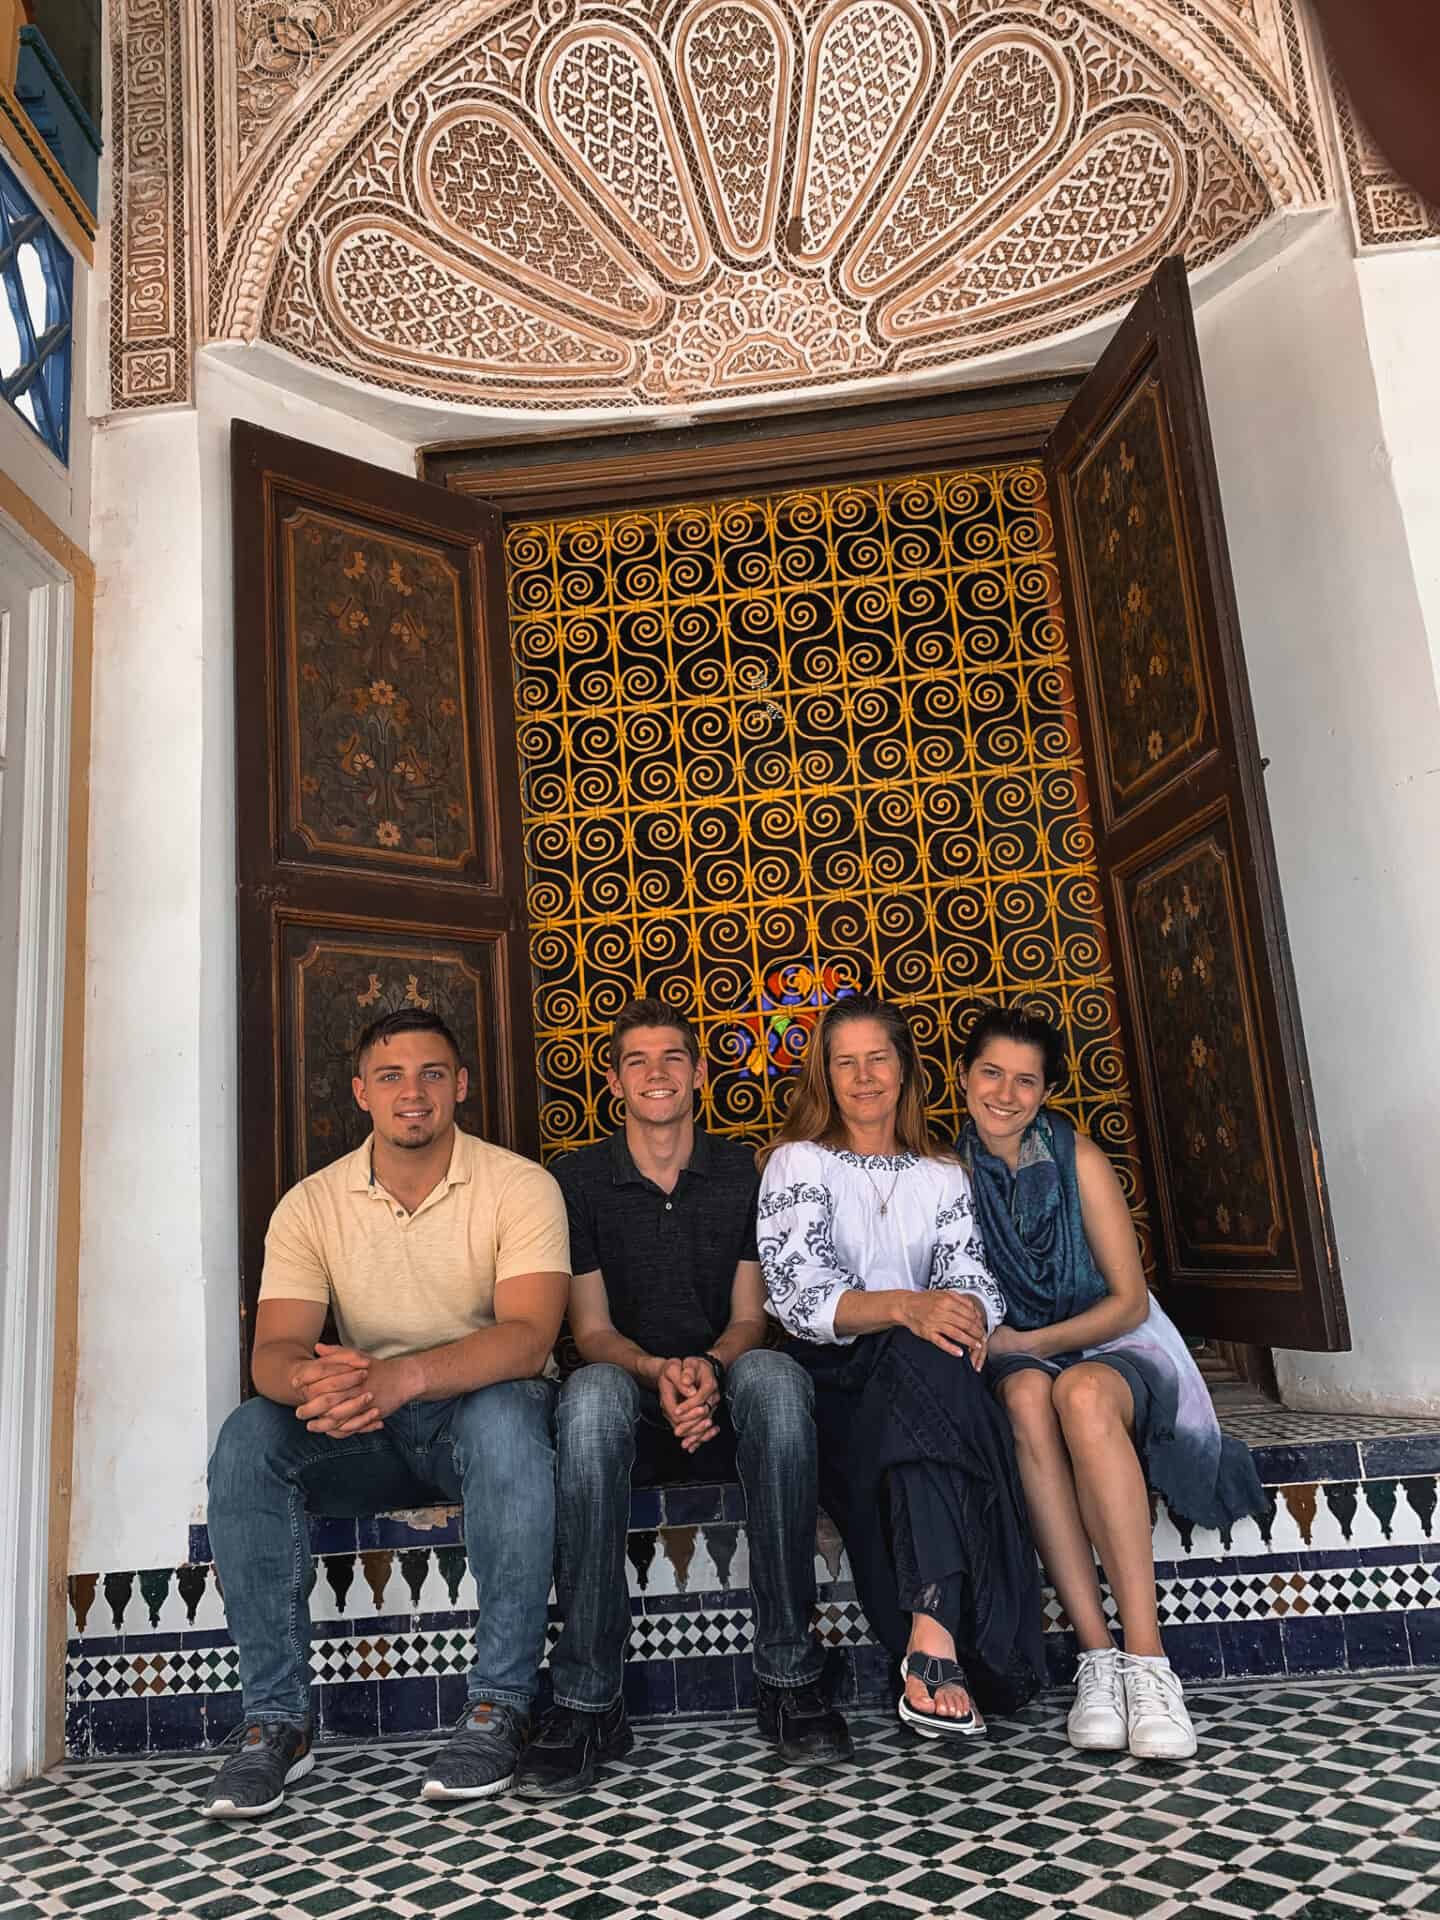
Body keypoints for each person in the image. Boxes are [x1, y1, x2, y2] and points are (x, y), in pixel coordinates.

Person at [202, 1010, 570, 1817]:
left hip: (475, 1409)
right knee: (247, 1439)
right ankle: (276, 1721)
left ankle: (499, 1705)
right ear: (362, 1092)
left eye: (434, 1074)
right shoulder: (311, 1205)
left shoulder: (519, 1185)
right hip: (367, 1421)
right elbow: (273, 1353)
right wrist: (315, 1386)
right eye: (394, 1077)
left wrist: (402, 1378)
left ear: (461, 1087)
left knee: (510, 1417)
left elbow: (528, 1337)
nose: (415, 1093)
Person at [519, 999, 850, 1796]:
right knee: (589, 1397)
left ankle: (789, 1674)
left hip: (724, 1385)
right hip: (630, 1395)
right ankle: (588, 1696)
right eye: (637, 1061)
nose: (657, 1074)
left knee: (776, 1378)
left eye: (673, 1058)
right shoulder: (578, 1178)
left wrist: (704, 1366)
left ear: (699, 1073)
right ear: (614, 1080)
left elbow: (748, 1319)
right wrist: (659, 1373)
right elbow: (591, 1332)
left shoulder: (744, 1171)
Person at [957, 1003, 1272, 1762]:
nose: (1005, 1092)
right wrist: (1011, 1351)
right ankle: (1096, 1659)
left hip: (1115, 1342)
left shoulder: (1078, 1158)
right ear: (962, 1077)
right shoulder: (948, 1175)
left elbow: (1128, 1300)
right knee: (1031, 1397)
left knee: (1082, 1394)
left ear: (1045, 1092)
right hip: (1020, 1359)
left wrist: (1029, 1339)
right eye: (991, 1072)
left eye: (1025, 1081)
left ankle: (1148, 1659)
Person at [757, 993, 1046, 1740]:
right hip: (835, 1380)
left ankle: (929, 1636)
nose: (862, 1076)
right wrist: (910, 1308)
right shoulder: (799, 1162)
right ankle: (965, 1639)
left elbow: (971, 1275)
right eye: (844, 1062)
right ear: (824, 1074)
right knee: (932, 1367)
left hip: (924, 1372)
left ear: (905, 1068)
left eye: (877, 1058)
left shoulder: (941, 1172)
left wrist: (966, 1315)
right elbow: (797, 1294)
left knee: (934, 1366)